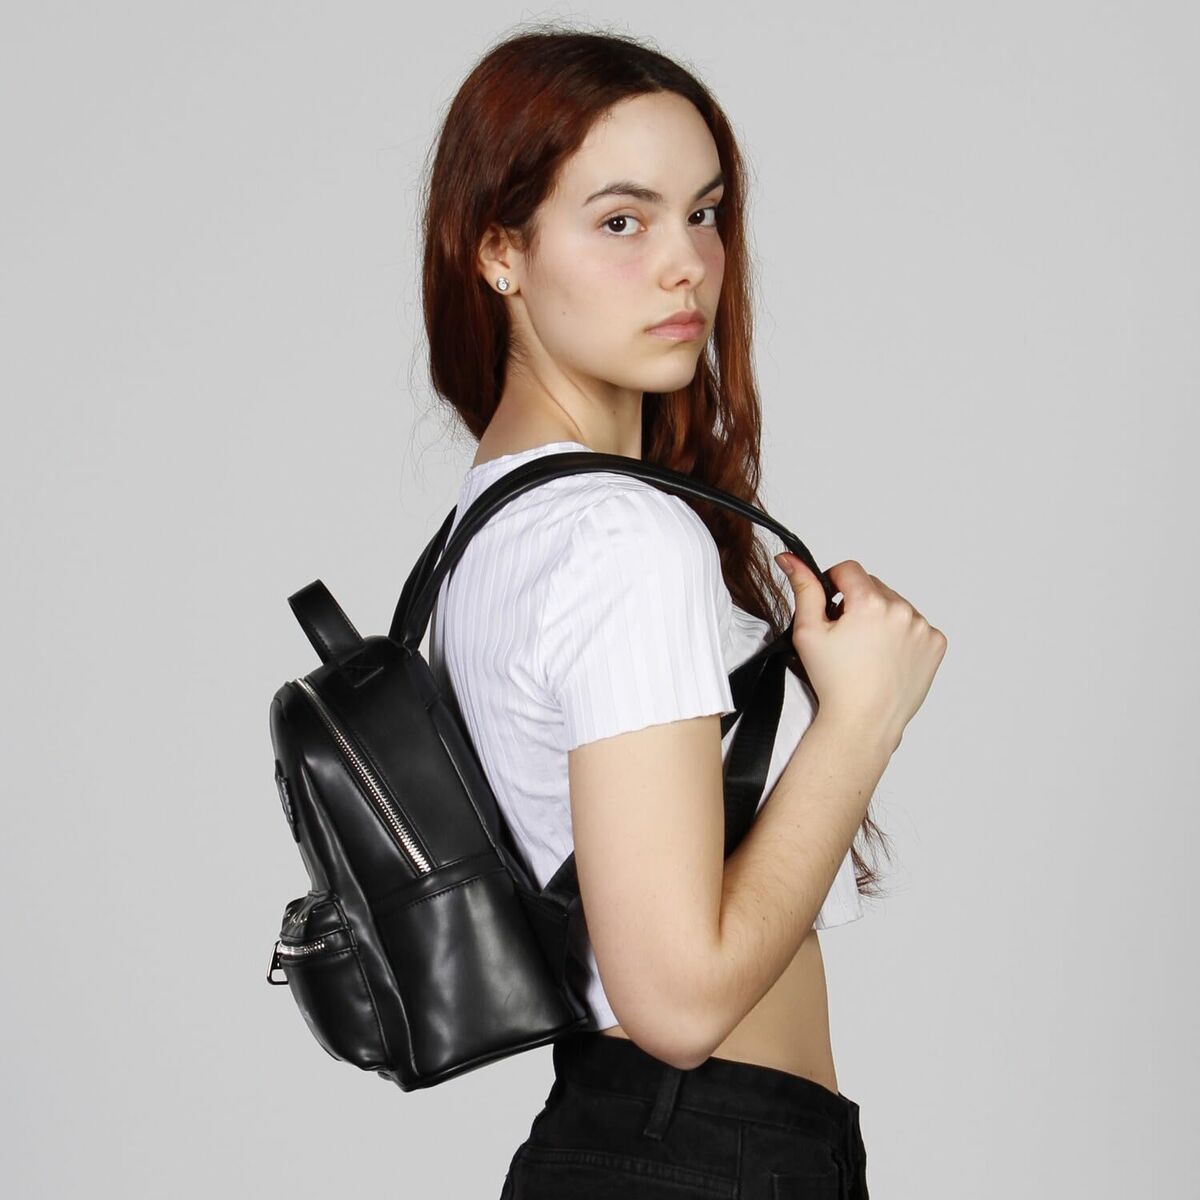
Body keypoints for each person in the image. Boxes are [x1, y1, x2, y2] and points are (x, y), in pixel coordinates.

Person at [422, 24, 947, 1199]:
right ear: (499, 251)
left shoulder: (494, 524)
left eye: (704, 213)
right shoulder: (620, 539)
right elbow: (677, 1004)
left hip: (643, 1144)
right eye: (623, 221)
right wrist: (864, 718)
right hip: (699, 1153)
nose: (687, 266)